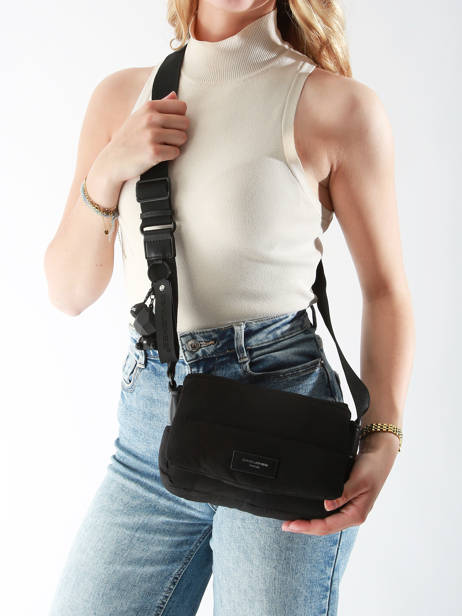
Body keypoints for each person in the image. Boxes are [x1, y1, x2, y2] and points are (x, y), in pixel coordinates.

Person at [44, 1, 415, 614]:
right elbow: (68, 293)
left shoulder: (338, 107)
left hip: (285, 423)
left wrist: (384, 438)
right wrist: (109, 170)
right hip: (149, 432)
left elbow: (386, 290)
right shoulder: (121, 98)